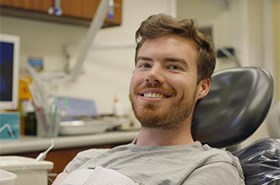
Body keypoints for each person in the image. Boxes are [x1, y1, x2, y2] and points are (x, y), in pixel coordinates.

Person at [52, 13, 245, 185]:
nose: (152, 75)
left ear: (202, 87)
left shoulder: (213, 167)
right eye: (144, 64)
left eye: (173, 67)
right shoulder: (86, 159)